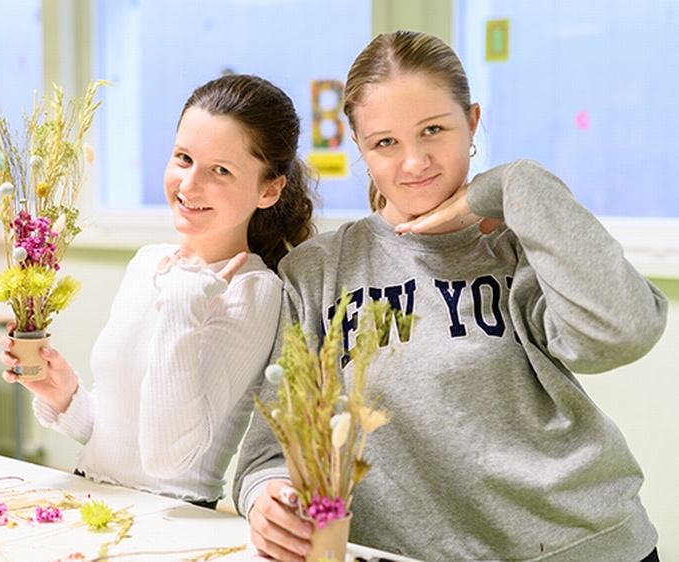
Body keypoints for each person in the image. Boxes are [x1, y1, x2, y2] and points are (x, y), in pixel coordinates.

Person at [233, 30, 667, 562]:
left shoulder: (514, 245)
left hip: (581, 547)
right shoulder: (319, 273)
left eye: (433, 130)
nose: (414, 163)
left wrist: (513, 185)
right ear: (361, 150)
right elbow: (268, 451)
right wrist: (266, 499)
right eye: (385, 142)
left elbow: (624, 332)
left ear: (473, 123)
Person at [0, 74, 318, 508]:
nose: (188, 186)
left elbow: (168, 458)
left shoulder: (255, 291)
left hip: (175, 518)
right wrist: (65, 394)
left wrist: (186, 300)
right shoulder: (147, 262)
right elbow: (119, 438)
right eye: (183, 158)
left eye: (220, 171)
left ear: (269, 189)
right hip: (91, 495)